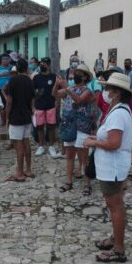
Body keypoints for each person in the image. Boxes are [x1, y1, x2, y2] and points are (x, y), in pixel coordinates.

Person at [84, 73, 132, 263]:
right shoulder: (118, 110)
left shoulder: (119, 113)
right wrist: (96, 139)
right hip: (111, 166)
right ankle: (115, 238)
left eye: (107, 89)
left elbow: (114, 143)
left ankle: (119, 248)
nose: (104, 92)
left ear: (116, 93)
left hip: (112, 166)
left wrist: (94, 143)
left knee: (115, 206)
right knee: (115, 204)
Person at [53, 64, 95, 196]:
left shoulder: (87, 91)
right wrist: (57, 84)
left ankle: (87, 184)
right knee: (70, 155)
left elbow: (79, 100)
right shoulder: (69, 88)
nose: (77, 75)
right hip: (69, 125)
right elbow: (54, 94)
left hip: (82, 126)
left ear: (86, 77)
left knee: (84, 156)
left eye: (80, 73)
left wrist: (65, 86)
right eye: (76, 72)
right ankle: (69, 181)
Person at [5, 59, 35, 182]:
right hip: (27, 115)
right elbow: (32, 100)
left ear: (17, 68)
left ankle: (19, 172)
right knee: (26, 142)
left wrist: (7, 116)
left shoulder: (13, 81)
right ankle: (28, 169)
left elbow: (9, 101)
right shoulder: (30, 81)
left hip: (16, 116)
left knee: (18, 146)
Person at [33, 57, 62, 159]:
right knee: (40, 127)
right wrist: (33, 106)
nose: (42, 65)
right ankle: (41, 146)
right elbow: (33, 93)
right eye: (41, 64)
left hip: (51, 105)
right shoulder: (36, 77)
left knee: (51, 127)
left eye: (44, 64)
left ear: (49, 65)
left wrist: (58, 103)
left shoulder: (54, 77)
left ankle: (51, 146)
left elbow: (58, 92)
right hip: (39, 106)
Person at [0, 54, 13, 125]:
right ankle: (4, 122)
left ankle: (9, 120)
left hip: (10, 89)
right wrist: (1, 75)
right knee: (2, 106)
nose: (5, 61)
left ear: (9, 60)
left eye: (6, 59)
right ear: (1, 60)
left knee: (9, 104)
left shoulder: (12, 68)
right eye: (3, 59)